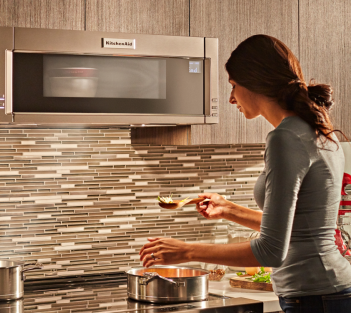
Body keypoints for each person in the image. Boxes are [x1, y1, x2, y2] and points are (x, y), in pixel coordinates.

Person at [139, 34, 351, 313]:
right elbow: (298, 228)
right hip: (327, 291)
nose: (230, 98)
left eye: (233, 85)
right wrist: (229, 210)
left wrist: (185, 251)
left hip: (316, 298)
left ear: (255, 82)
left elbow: (271, 250)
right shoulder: (315, 128)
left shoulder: (285, 138)